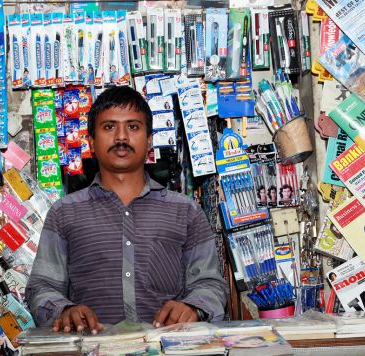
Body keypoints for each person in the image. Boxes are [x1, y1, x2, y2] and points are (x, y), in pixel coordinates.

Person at [27, 86, 228, 334]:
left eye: (133, 127)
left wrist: (193, 307)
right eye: (109, 127)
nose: (121, 137)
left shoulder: (185, 211)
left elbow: (210, 283)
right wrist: (64, 310)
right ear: (90, 141)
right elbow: (41, 286)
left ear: (149, 140)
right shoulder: (64, 213)